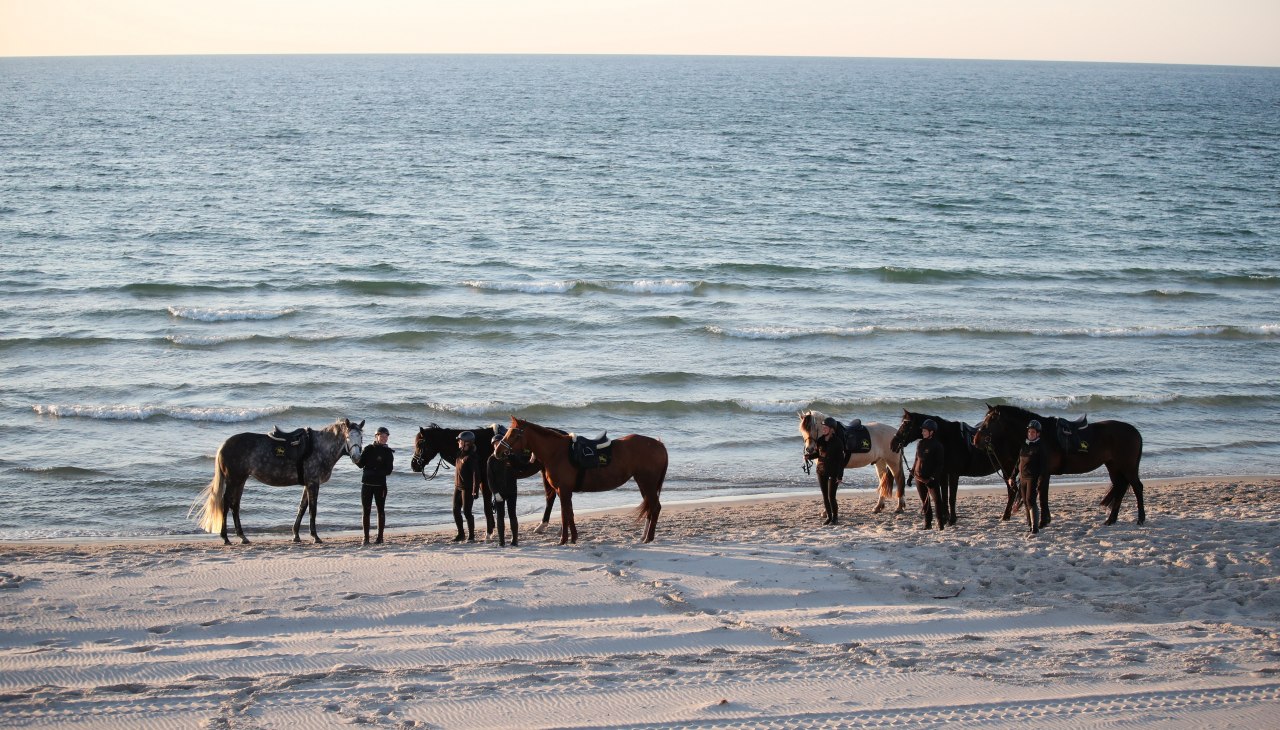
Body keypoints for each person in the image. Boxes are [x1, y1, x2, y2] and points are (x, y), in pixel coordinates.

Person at [355, 426, 394, 545]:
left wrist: (375, 471)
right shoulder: (368, 449)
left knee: (380, 510)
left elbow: (389, 470)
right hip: (366, 484)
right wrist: (355, 456)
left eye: (386, 437)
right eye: (381, 436)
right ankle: (366, 538)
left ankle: (380, 538)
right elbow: (360, 465)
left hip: (380, 486)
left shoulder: (388, 452)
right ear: (376, 436)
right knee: (365, 511)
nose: (384, 438)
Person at [487, 425, 523, 547]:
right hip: (499, 493)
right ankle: (501, 541)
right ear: (493, 446)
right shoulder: (491, 460)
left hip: (512, 490)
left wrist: (532, 460)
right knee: (500, 516)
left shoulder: (510, 457)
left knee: (512, 514)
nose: (497, 446)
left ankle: (515, 540)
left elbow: (521, 467)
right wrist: (495, 493)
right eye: (495, 444)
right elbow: (490, 479)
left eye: (499, 443)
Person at [808, 416, 846, 525]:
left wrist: (840, 476)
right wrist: (808, 457)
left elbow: (841, 461)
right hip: (820, 471)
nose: (823, 429)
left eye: (826, 427)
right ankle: (829, 517)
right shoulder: (820, 440)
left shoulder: (838, 442)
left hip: (833, 473)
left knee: (831, 497)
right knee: (825, 496)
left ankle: (835, 517)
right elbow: (817, 454)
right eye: (823, 427)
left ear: (832, 429)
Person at [912, 419, 947, 528]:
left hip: (931, 479)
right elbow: (916, 460)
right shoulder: (920, 443)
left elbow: (940, 464)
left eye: (925, 431)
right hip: (919, 478)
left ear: (931, 432)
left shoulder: (937, 446)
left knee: (937, 501)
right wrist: (911, 475)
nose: (922, 432)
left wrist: (933, 478)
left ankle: (940, 523)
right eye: (922, 430)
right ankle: (928, 523)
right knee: (924, 502)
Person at [1016, 419, 1051, 527]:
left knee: (1030, 501)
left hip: (1032, 478)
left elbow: (1044, 467)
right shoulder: (1024, 445)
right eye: (1029, 432)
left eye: (1033, 432)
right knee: (1025, 502)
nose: (1030, 434)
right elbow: (1018, 462)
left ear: (1038, 434)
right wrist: (1012, 477)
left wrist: (1041, 480)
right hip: (1022, 478)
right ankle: (1030, 524)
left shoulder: (1041, 447)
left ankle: (1034, 528)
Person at [453, 431, 481, 543]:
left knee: (467, 512)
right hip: (458, 486)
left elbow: (476, 474)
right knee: (455, 510)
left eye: (460, 441)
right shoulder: (459, 453)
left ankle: (471, 536)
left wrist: (475, 490)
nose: (458, 442)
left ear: (466, 443)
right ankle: (461, 534)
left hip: (467, 488)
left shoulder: (472, 457)